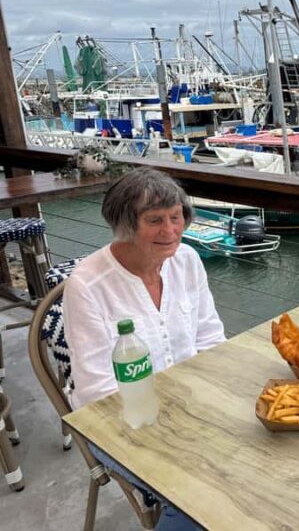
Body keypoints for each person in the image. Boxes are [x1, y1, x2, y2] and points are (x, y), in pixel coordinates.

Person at [63, 167, 226, 530]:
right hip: (122, 424)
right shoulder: (89, 285)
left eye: (176, 217)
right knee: (203, 495)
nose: (170, 231)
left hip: (194, 409)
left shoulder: (187, 261)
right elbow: (97, 391)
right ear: (125, 225)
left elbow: (211, 339)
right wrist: (175, 431)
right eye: (154, 220)